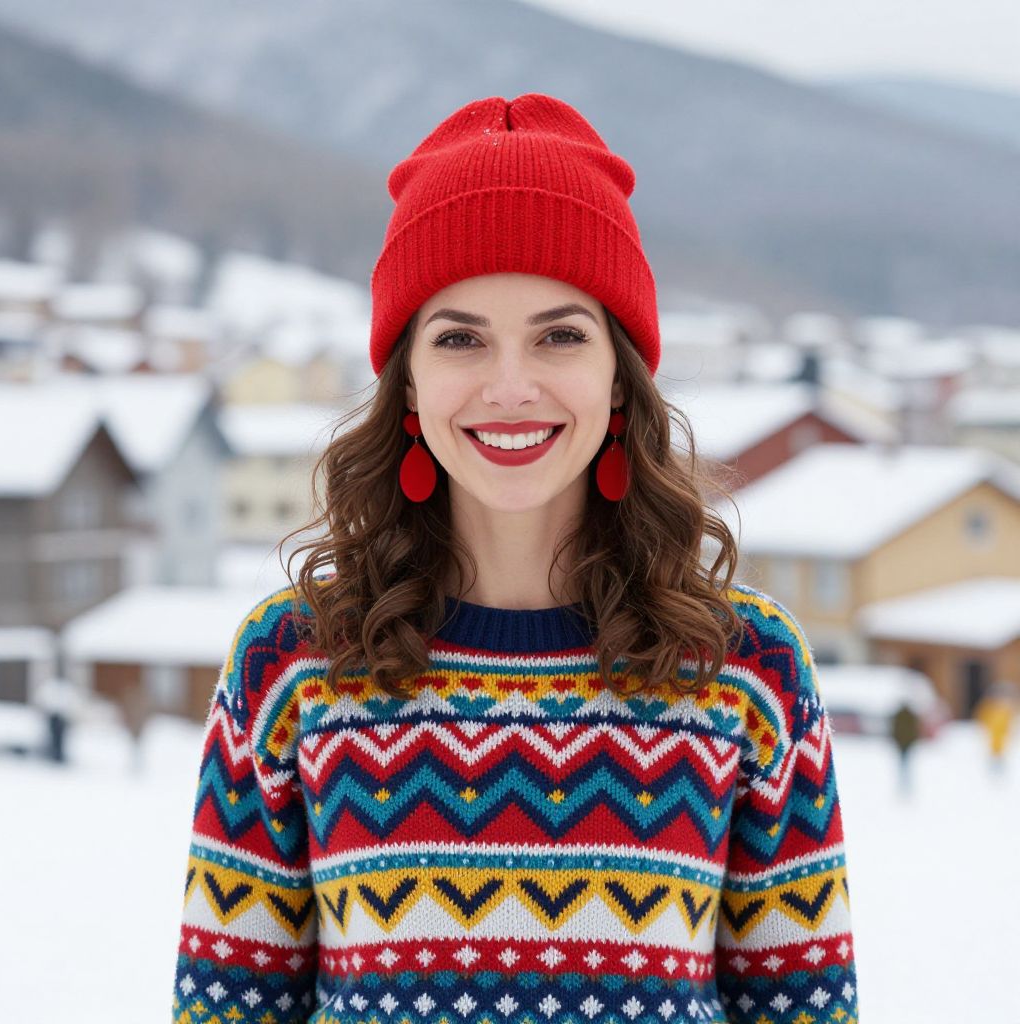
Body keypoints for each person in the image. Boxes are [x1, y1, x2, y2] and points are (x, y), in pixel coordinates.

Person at [170, 94, 859, 1024]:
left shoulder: (746, 668)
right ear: (407, 383)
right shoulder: (292, 662)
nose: (509, 387)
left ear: (620, 377)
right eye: (460, 339)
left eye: (559, 336)